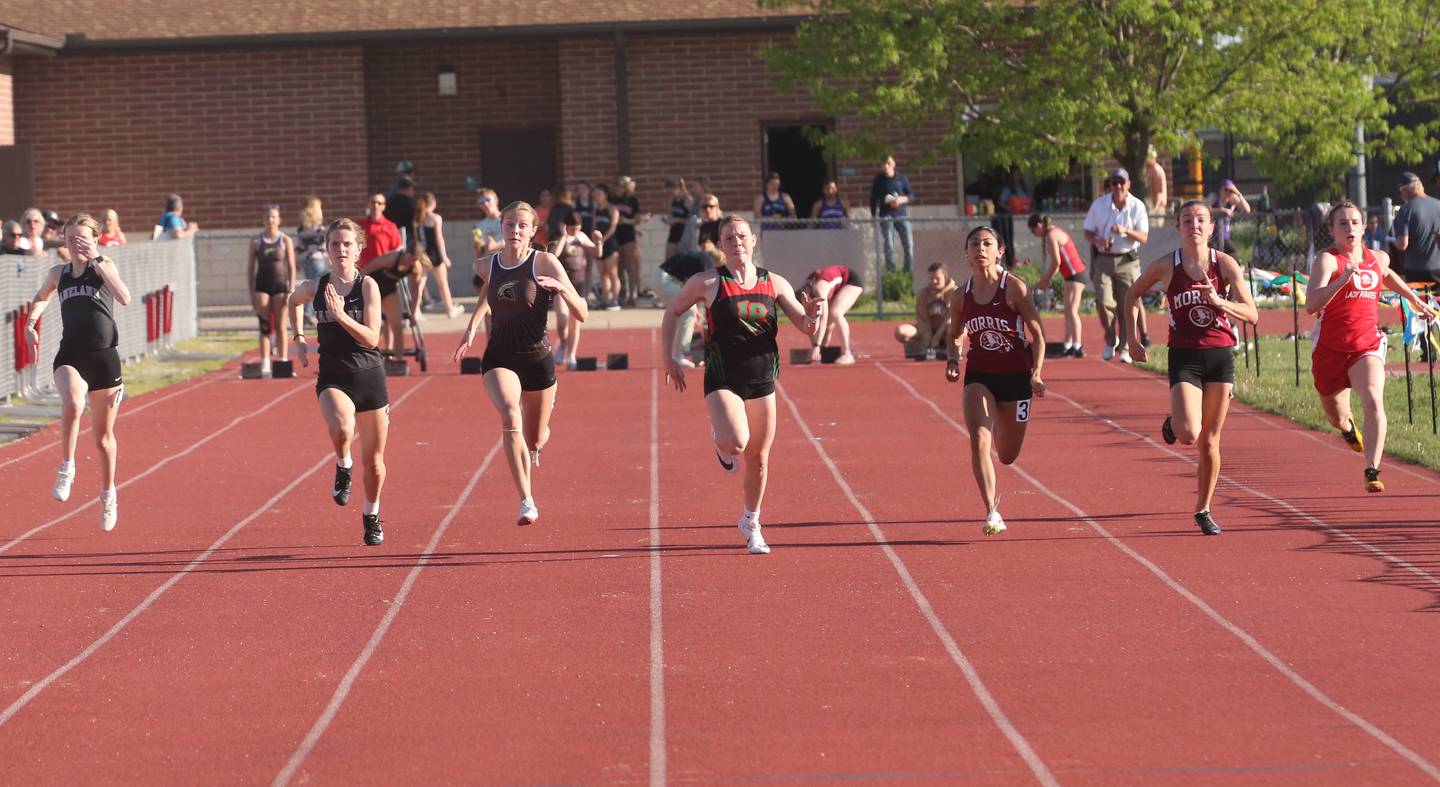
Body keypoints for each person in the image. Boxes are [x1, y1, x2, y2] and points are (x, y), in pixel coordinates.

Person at [661, 215, 824, 554]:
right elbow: (672, 313)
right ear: (720, 246)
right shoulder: (707, 282)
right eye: (729, 238)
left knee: (759, 459)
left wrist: (813, 315)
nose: (736, 242)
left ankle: (751, 522)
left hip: (762, 378)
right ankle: (721, 439)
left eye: (742, 236)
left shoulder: (774, 283)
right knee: (736, 443)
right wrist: (670, 357)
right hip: (722, 376)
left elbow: (805, 327)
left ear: (753, 241)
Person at [1125, 201, 1258, 535]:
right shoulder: (1165, 266)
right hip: (1184, 355)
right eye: (1187, 220)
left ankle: (1203, 508)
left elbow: (1252, 313)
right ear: (1178, 227)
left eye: (1201, 220)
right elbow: (1131, 295)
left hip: (1220, 354)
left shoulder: (1224, 264)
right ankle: (1175, 420)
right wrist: (1132, 339)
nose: (1194, 225)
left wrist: (1220, 302)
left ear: (1212, 227)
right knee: (1188, 434)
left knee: (1210, 441)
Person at [453, 201, 589, 526]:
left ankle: (541, 432)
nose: (514, 230)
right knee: (510, 413)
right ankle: (526, 500)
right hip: (500, 356)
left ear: (532, 231)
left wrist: (563, 292)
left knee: (535, 440)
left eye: (521, 225)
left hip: (538, 360)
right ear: (500, 227)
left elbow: (582, 312)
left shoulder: (545, 263)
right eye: (509, 224)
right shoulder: (486, 264)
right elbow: (491, 289)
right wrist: (472, 325)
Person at [1305, 200, 1437, 493]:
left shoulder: (1377, 257)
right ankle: (1349, 429)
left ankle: (1371, 469)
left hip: (1366, 344)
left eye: (1354, 222)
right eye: (1342, 223)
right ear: (1332, 230)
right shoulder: (1327, 261)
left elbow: (1387, 276)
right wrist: (1342, 279)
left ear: (1364, 227)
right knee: (1336, 415)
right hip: (1330, 349)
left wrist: (1413, 300)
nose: (1349, 227)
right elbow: (1310, 305)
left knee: (1374, 400)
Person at [23, 214, 133, 531]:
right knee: (72, 399)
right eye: (71, 238)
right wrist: (31, 322)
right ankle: (67, 467)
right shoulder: (59, 273)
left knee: (102, 439)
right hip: (70, 354)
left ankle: (108, 493)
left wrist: (96, 258)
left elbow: (124, 297)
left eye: (82, 238)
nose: (76, 244)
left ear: (94, 239)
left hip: (105, 359)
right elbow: (42, 296)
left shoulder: (104, 265)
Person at [286, 218, 390, 546]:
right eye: (334, 244)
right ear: (327, 250)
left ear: (358, 249)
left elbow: (372, 338)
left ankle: (371, 515)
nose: (341, 249)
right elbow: (292, 300)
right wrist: (299, 336)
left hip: (370, 377)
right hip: (333, 378)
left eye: (347, 244)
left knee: (374, 462)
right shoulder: (316, 287)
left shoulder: (367, 286)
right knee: (344, 427)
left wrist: (342, 315)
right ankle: (343, 464)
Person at [944, 226, 1046, 536]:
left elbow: (1038, 334)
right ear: (967, 252)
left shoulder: (1014, 288)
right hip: (980, 374)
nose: (980, 249)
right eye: (974, 244)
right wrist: (952, 358)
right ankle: (991, 510)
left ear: (1000, 251)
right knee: (978, 438)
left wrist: (1037, 373)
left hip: (1016, 377)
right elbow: (954, 334)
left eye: (987, 243)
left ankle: (1002, 419)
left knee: (1007, 455)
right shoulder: (960, 295)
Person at [1083, 167, 1150, 362]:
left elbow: (1144, 237)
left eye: (1122, 182)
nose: (1118, 186)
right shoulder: (1099, 205)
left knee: (1128, 305)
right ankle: (1110, 340)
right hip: (1104, 259)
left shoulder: (1137, 206)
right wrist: (1097, 241)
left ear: (1128, 184)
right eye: (1114, 183)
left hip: (1128, 260)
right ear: (1110, 185)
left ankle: (1126, 346)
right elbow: (1088, 231)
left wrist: (1125, 230)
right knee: (1103, 303)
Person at [1028, 213, 1087, 357]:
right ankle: (1067, 344)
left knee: (1072, 311)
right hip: (1070, 276)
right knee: (1068, 311)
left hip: (1075, 274)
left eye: (1033, 230)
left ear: (1039, 226)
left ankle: (1078, 346)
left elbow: (1056, 263)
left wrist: (1045, 282)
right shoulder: (1053, 232)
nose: (1034, 234)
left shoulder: (1051, 235)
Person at [246, 204, 296, 377]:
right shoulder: (256, 241)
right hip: (262, 286)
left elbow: (291, 266)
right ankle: (265, 362)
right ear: (263, 220)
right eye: (267, 217)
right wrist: (251, 292)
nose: (270, 220)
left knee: (282, 327)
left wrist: (291, 289)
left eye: (273, 217)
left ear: (279, 220)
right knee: (264, 326)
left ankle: (282, 361)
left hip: (280, 286)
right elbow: (250, 269)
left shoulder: (285, 240)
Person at [548, 211, 600, 369]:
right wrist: (565, 237)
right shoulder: (560, 238)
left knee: (575, 322)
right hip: (561, 286)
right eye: (572, 229)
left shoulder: (582, 237)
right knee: (562, 321)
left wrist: (599, 242)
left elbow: (598, 253)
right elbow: (553, 255)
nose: (575, 232)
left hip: (578, 284)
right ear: (566, 227)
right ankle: (563, 342)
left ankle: (571, 354)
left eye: (578, 228)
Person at [358, 194, 404, 352]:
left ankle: (392, 353)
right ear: (369, 204)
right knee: (373, 319)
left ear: (384, 206)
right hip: (365, 277)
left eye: (380, 203)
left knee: (392, 319)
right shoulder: (361, 226)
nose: (376, 205)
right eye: (373, 202)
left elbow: (398, 251)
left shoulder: (390, 226)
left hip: (385, 278)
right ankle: (373, 351)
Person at [416, 192, 464, 319]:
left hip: (423, 254)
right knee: (442, 283)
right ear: (433, 203)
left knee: (421, 282)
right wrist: (444, 257)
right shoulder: (435, 218)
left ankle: (415, 310)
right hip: (435, 254)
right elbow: (439, 239)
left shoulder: (418, 218)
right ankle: (449, 309)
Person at [803, 264, 864, 364]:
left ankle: (847, 353)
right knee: (828, 325)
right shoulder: (806, 294)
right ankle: (823, 350)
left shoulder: (820, 291)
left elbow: (824, 318)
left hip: (852, 281)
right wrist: (817, 346)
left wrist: (816, 346)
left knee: (836, 312)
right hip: (839, 286)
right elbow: (810, 322)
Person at [894, 262, 957, 353]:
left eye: (937, 279)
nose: (934, 281)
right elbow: (923, 320)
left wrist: (937, 338)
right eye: (931, 278)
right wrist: (928, 340)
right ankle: (922, 347)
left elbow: (951, 319)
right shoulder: (923, 294)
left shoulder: (955, 293)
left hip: (945, 330)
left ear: (945, 277)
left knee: (953, 330)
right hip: (929, 330)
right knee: (900, 331)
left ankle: (948, 348)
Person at [869, 156, 915, 272]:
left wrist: (901, 200)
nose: (886, 166)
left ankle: (908, 271)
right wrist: (873, 215)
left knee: (908, 245)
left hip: (901, 215)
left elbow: (911, 195)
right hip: (886, 215)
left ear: (893, 164)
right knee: (889, 244)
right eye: (883, 164)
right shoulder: (879, 180)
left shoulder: (901, 178)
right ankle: (892, 271)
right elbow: (873, 199)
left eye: (888, 163)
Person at [295, 197, 329, 324]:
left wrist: (299, 259)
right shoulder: (319, 228)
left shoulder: (302, 228)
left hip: (305, 259)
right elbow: (324, 245)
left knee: (309, 285)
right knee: (316, 286)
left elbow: (299, 246)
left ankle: (306, 313)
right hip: (317, 259)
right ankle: (308, 313)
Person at [615, 175, 646, 306]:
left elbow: (638, 218)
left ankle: (632, 295)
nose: (619, 188)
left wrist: (627, 221)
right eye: (618, 185)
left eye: (622, 185)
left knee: (630, 265)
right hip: (616, 233)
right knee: (619, 266)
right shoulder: (613, 199)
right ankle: (622, 292)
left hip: (628, 233)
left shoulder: (633, 200)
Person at [592, 184, 622, 310]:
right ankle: (605, 299)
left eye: (599, 193)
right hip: (599, 245)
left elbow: (613, 227)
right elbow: (594, 226)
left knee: (612, 272)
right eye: (595, 194)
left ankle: (614, 300)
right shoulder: (596, 209)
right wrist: (594, 241)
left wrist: (603, 240)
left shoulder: (612, 209)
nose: (596, 196)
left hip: (610, 244)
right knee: (603, 273)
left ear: (605, 195)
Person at [472, 188, 503, 292]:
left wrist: (496, 245)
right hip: (489, 265)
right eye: (481, 202)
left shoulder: (506, 219)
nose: (485, 204)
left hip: (507, 262)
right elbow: (479, 254)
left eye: (488, 200)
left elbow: (518, 242)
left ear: (496, 200)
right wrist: (477, 247)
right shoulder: (479, 226)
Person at [1208, 179, 1251, 255]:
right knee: (1215, 255)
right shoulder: (1214, 199)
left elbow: (1247, 210)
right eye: (1225, 189)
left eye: (1230, 191)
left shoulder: (1232, 201)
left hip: (1225, 236)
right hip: (1213, 235)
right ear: (1220, 190)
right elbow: (1207, 210)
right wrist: (1221, 210)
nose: (1228, 192)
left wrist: (1238, 193)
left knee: (1233, 254)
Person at [664, 177, 693, 259]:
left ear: (677, 188)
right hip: (674, 231)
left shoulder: (687, 200)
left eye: (671, 191)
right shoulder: (672, 199)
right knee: (669, 259)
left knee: (682, 260)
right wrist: (669, 220)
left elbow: (693, 220)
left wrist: (678, 220)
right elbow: (670, 214)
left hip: (684, 232)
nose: (670, 194)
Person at [1144, 146, 1169, 220]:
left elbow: (1159, 193)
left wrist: (1155, 210)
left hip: (1156, 208)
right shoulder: (1150, 169)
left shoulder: (1156, 171)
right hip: (1151, 206)